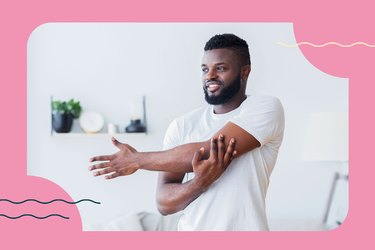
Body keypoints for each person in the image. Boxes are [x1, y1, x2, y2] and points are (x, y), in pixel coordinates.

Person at [89, 33, 285, 231]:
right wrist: (198, 184)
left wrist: (136, 159)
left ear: (245, 72)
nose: (210, 76)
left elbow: (209, 151)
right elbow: (164, 204)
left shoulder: (265, 108)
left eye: (221, 68)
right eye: (205, 69)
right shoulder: (182, 125)